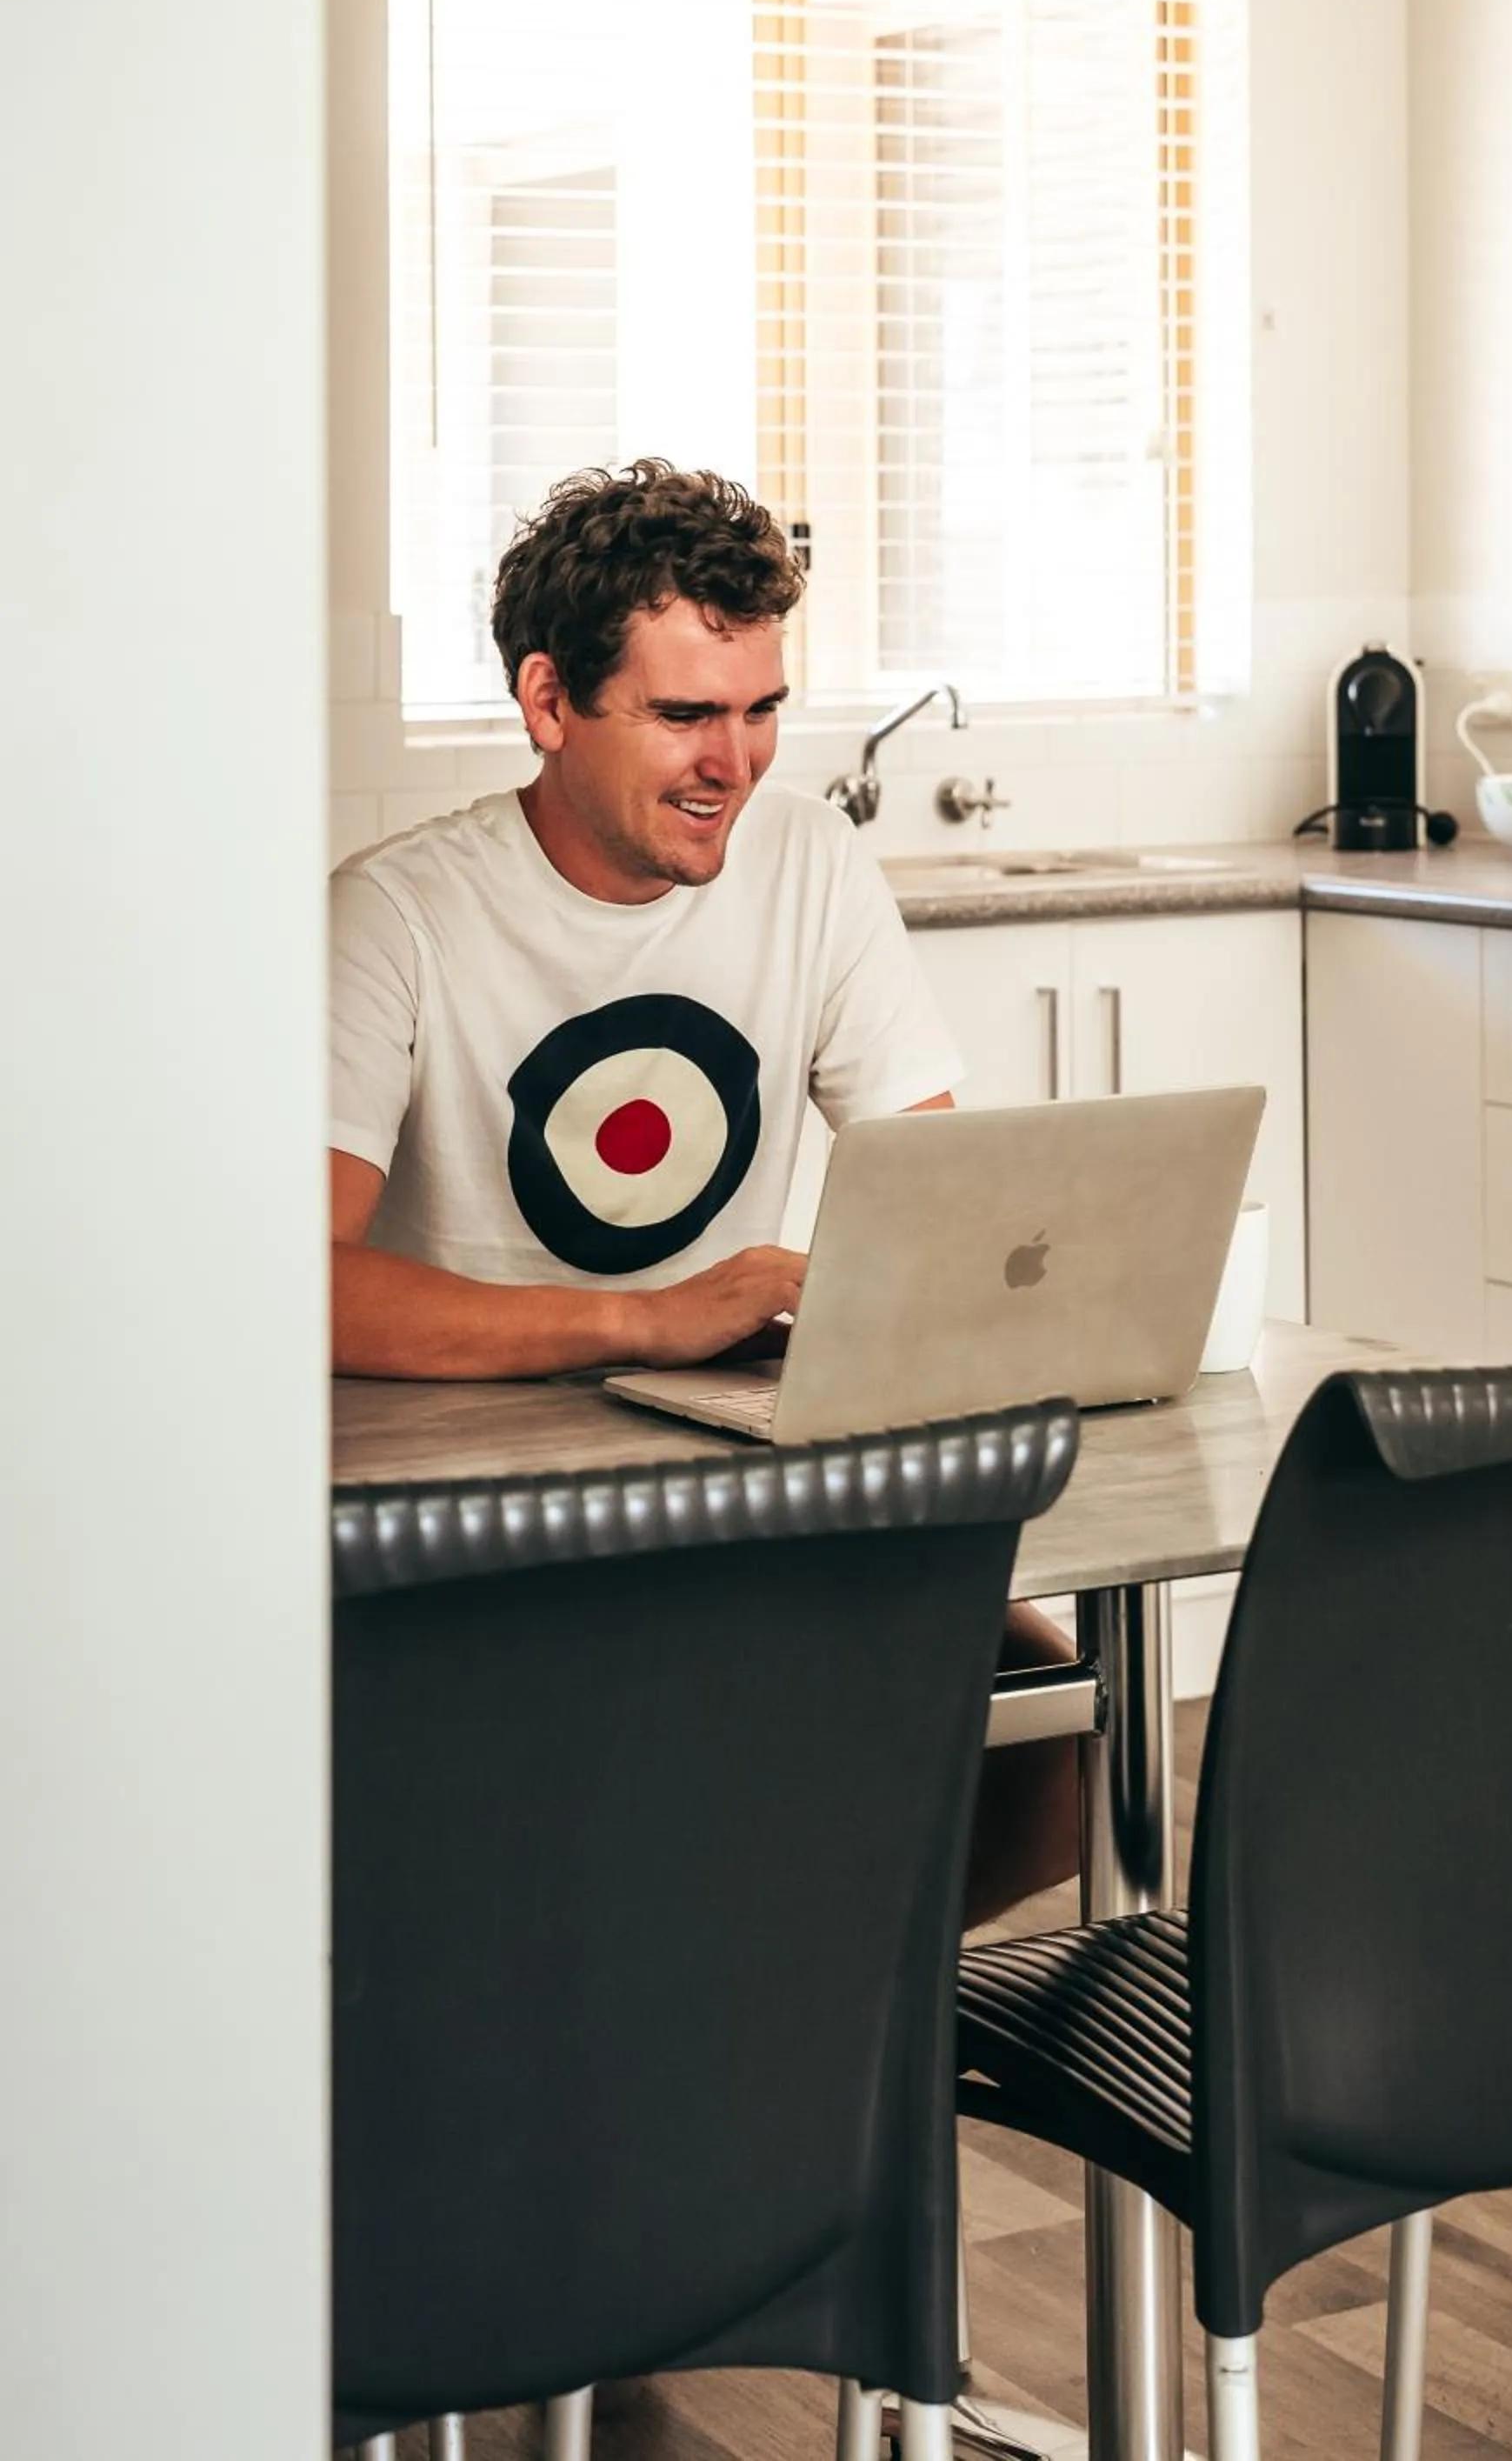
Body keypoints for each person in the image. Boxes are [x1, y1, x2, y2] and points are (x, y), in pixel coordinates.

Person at [329, 457, 1074, 1923]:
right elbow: (292, 1283)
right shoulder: (395, 917)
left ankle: (812, 2011)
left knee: (1052, 1745)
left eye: (760, 710)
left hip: (738, 1480)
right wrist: (642, 1318)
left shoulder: (810, 863)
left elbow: (932, 1195)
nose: (732, 763)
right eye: (682, 715)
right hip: (477, 1516)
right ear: (550, 701)